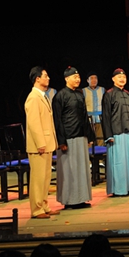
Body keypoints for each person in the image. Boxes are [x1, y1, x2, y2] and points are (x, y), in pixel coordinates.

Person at [52, 66, 95, 210]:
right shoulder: (60, 96)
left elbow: (84, 116)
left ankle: (81, 199)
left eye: (78, 77)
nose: (78, 79)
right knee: (69, 170)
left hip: (80, 136)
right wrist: (61, 141)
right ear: (66, 79)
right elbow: (57, 120)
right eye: (75, 77)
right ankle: (69, 201)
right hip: (68, 138)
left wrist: (89, 135)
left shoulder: (79, 94)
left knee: (81, 169)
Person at [25, 66, 61, 219]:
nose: (48, 78)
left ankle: (44, 205)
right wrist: (40, 142)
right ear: (37, 78)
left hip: (47, 142)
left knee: (46, 178)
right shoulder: (33, 97)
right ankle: (37, 209)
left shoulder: (43, 96)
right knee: (38, 179)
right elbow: (34, 123)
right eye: (45, 76)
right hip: (39, 145)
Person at [101, 68, 129, 197]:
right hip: (116, 133)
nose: (122, 79)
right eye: (119, 77)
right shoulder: (109, 94)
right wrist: (108, 135)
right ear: (113, 79)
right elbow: (106, 116)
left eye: (124, 77)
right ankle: (119, 189)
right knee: (118, 162)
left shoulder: (128, 94)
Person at [83, 72, 106, 146]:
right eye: (91, 78)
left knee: (100, 139)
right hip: (89, 120)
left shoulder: (102, 90)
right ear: (87, 80)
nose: (94, 80)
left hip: (100, 119)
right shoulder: (83, 91)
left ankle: (101, 152)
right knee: (90, 141)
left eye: (95, 78)